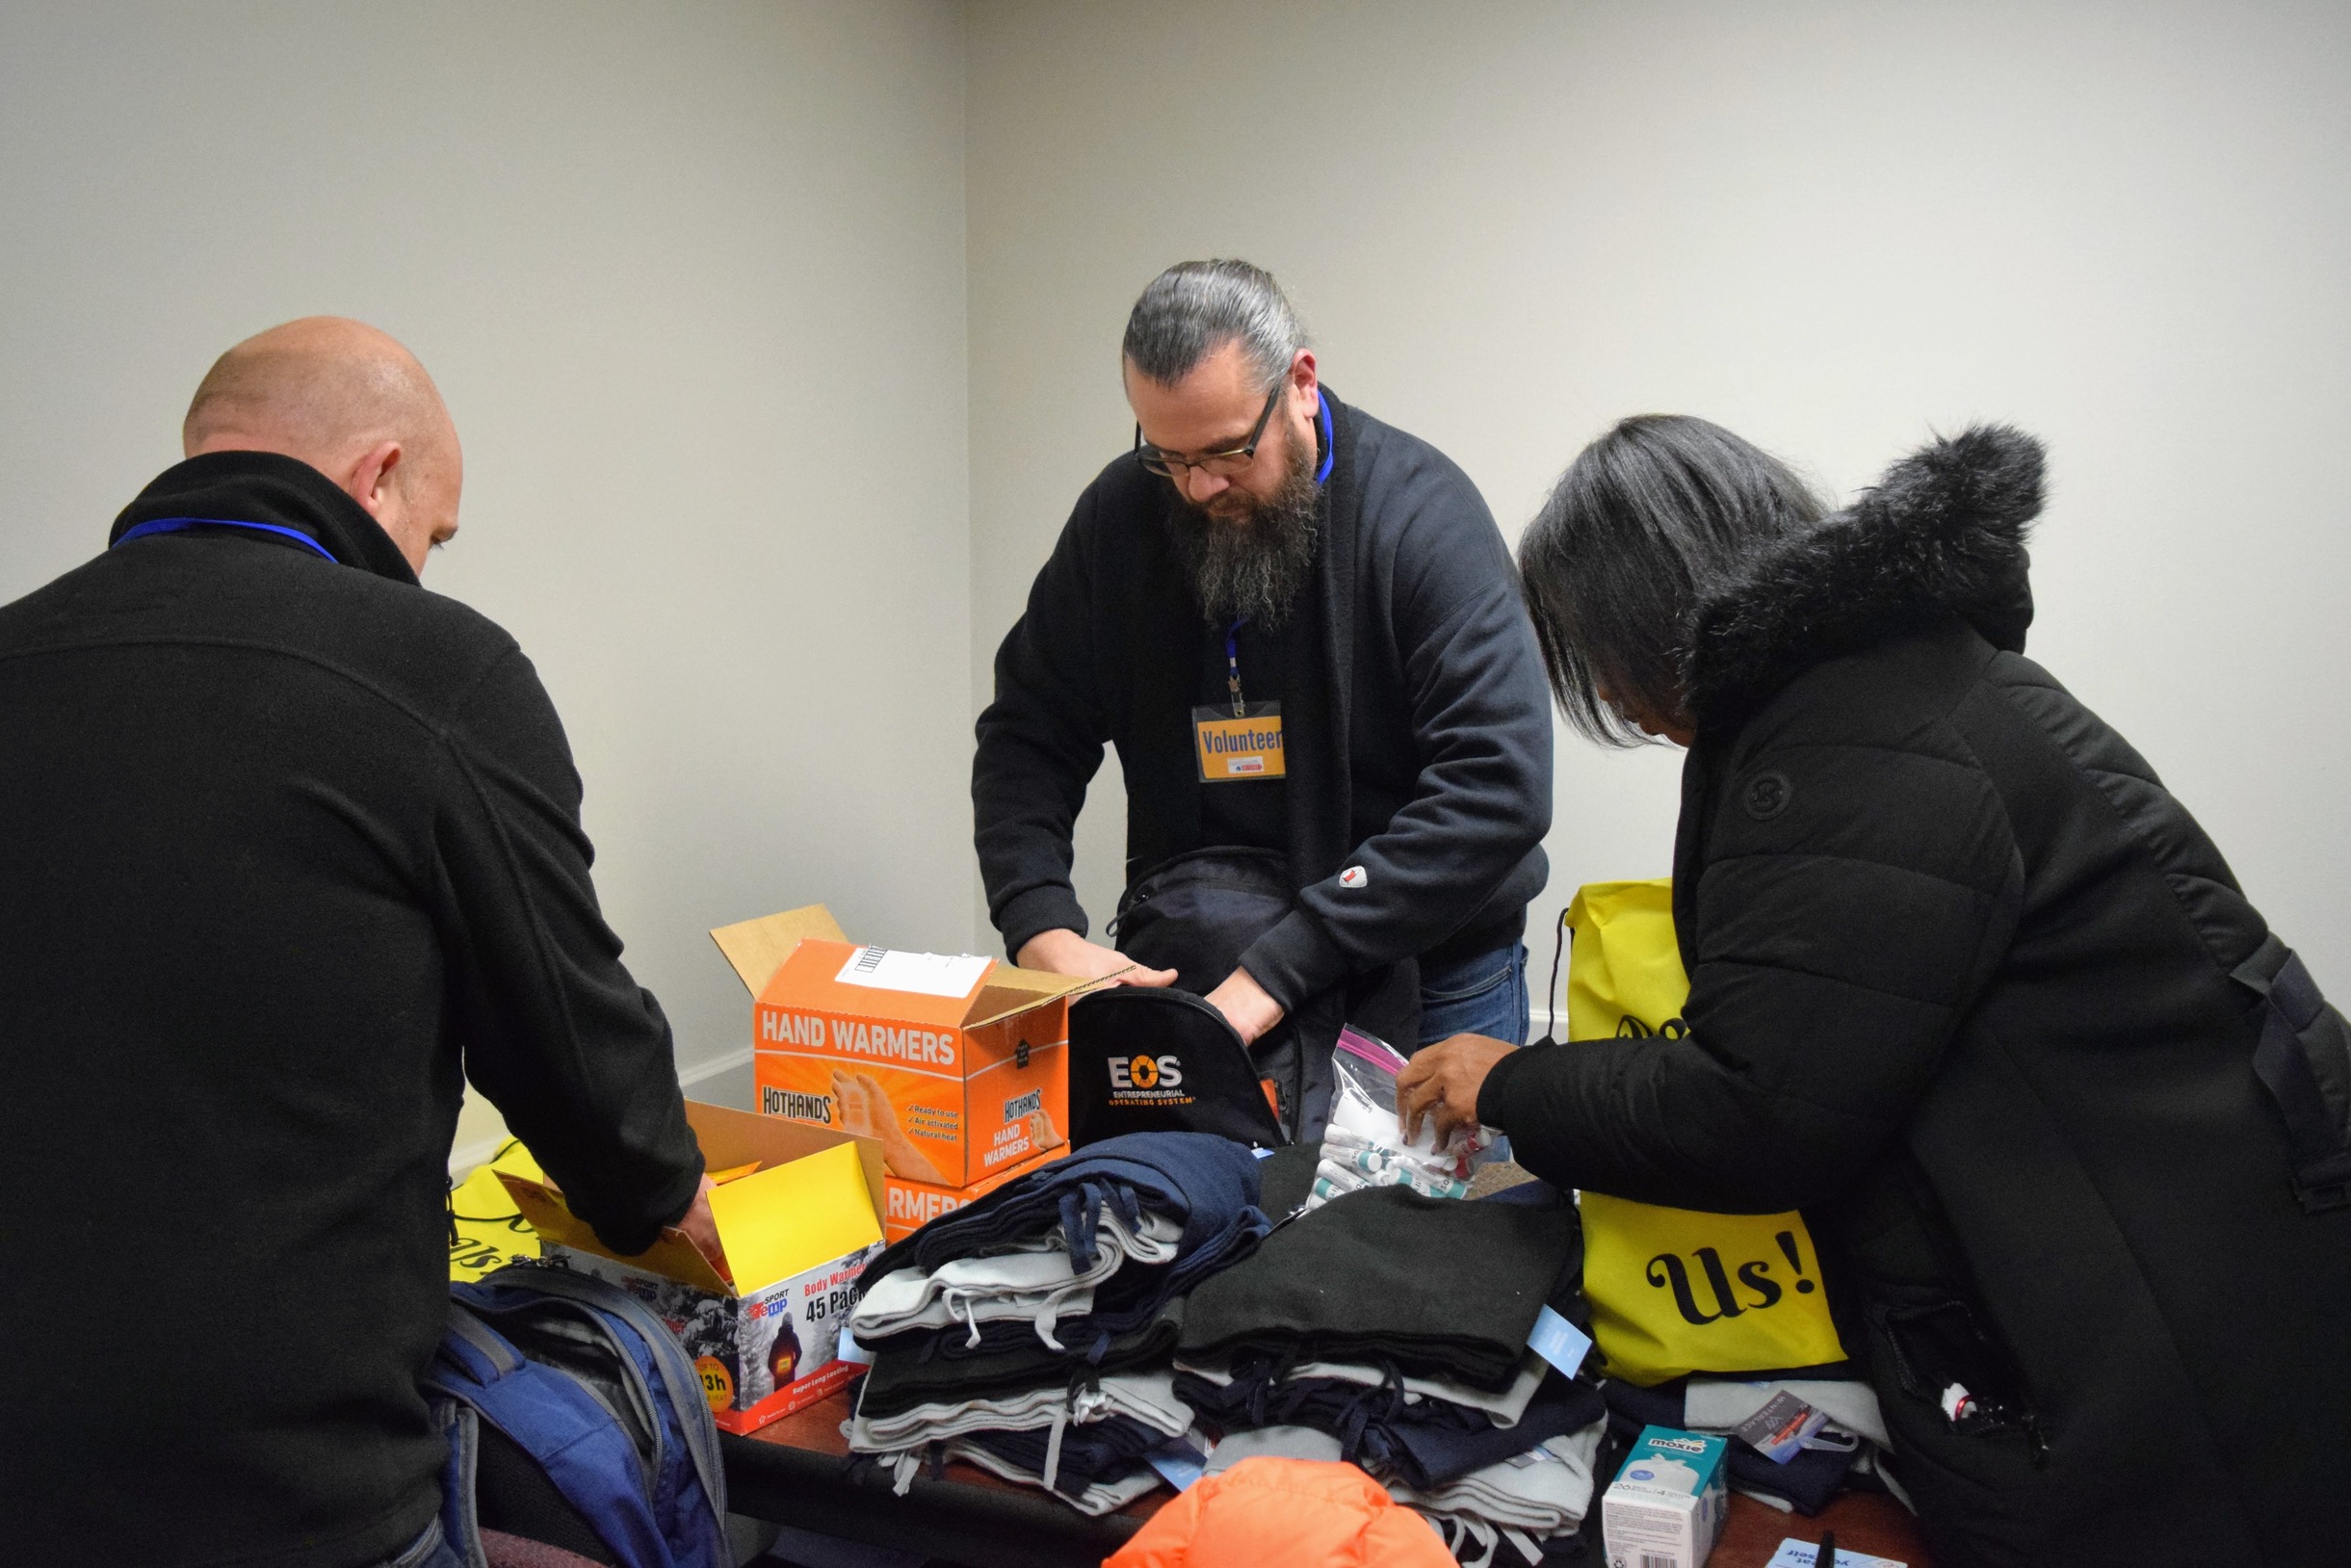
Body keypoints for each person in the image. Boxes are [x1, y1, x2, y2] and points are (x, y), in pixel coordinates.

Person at [1398, 416, 2351, 1566]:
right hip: (2205, 1239)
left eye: (1593, 653)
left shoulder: (1846, 747)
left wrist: (1509, 1078)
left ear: (1645, 620)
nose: (1608, 694)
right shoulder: (1890, 689)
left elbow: (1755, 1108)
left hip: (2167, 1319)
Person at [0, 318, 720, 1568]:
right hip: (297, 1496)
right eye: (433, 535)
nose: (424, 570)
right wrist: (671, 1195)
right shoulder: (435, 669)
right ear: (378, 473)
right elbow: (574, 1051)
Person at [974, 260, 1552, 1133]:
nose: (1199, 486)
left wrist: (1277, 973)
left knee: (1442, 1250)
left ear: (1301, 385)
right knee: (1217, 1241)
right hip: (1209, 965)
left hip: (1433, 975)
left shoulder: (1418, 517)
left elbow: (1496, 785)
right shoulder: (1123, 518)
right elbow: (1029, 731)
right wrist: (1039, 926)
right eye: (1167, 455)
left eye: (1227, 451)